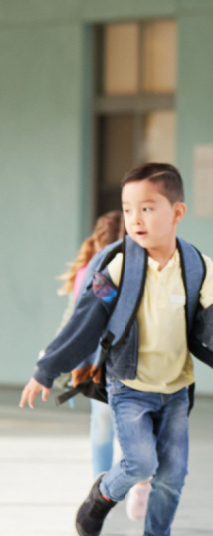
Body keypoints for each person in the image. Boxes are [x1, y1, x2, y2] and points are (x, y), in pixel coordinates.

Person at [21, 163, 213, 536]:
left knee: (173, 473)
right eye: (128, 210)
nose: (135, 219)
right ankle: (103, 495)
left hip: (177, 388)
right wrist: (47, 368)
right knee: (140, 464)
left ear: (177, 213)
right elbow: (85, 320)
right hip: (128, 385)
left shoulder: (197, 265)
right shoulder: (117, 264)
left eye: (147, 208)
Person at [54, 212, 147, 511]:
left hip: (98, 359)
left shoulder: (91, 269)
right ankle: (133, 481)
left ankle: (103, 485)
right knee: (132, 418)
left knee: (104, 422)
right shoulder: (129, 268)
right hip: (120, 357)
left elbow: (74, 320)